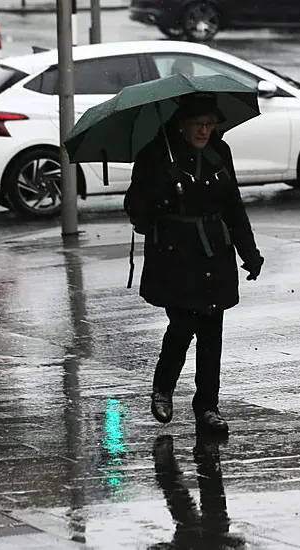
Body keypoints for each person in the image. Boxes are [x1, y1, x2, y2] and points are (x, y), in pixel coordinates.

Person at [124, 93, 264, 434]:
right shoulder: (156, 155)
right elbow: (136, 210)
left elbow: (233, 206)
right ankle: (164, 387)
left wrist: (250, 252)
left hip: (215, 252)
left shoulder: (220, 152)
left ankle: (207, 408)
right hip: (176, 254)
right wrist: (162, 190)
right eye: (199, 124)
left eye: (211, 124)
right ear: (181, 124)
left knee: (212, 330)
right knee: (184, 324)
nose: (205, 130)